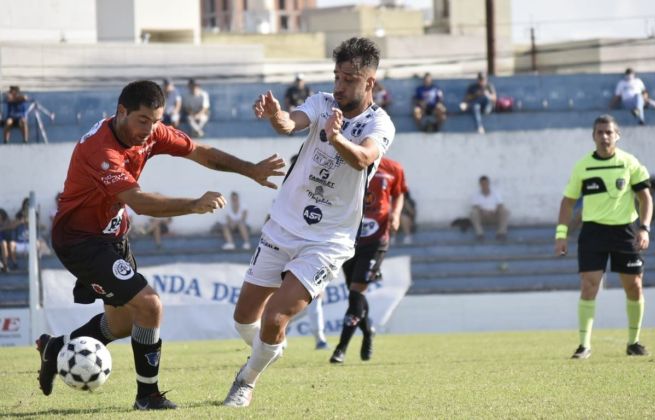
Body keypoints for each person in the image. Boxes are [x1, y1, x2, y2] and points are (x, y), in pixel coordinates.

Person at [36, 80, 285, 410]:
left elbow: (202, 153)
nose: (150, 129)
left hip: (112, 236)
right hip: (80, 240)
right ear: (121, 112)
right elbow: (139, 202)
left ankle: (56, 347)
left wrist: (250, 170)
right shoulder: (101, 150)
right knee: (150, 305)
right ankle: (147, 397)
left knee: (122, 324)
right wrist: (193, 204)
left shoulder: (150, 131)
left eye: (156, 121)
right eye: (143, 120)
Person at [224, 37, 394, 408]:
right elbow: (289, 124)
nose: (339, 85)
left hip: (328, 240)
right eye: (337, 76)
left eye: (349, 79)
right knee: (243, 321)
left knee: (274, 318)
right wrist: (274, 114)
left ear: (370, 82)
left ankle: (246, 380)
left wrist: (335, 137)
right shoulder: (322, 103)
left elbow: (363, 159)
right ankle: (267, 350)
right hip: (283, 225)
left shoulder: (379, 123)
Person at [555, 114, 652, 360]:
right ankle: (584, 345)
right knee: (589, 286)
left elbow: (645, 198)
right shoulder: (583, 166)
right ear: (594, 136)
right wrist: (561, 234)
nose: (605, 136)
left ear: (617, 135)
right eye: (600, 132)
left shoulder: (629, 162)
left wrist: (644, 228)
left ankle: (634, 342)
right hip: (593, 232)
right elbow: (568, 202)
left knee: (634, 286)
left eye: (609, 132)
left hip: (625, 231)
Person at [330, 156, 406, 364]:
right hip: (349, 238)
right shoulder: (347, 162)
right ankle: (368, 330)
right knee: (355, 295)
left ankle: (340, 349)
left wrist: (396, 214)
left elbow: (399, 194)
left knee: (356, 292)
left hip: (376, 240)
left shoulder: (393, 167)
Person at [470, 175, 509, 241]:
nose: (484, 185)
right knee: (473, 212)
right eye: (482, 183)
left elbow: (500, 205)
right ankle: (480, 234)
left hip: (494, 215)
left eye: (486, 183)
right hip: (483, 217)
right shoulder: (476, 195)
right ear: (480, 184)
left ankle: (501, 233)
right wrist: (483, 211)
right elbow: (475, 207)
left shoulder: (496, 193)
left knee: (505, 211)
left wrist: (494, 210)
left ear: (488, 183)